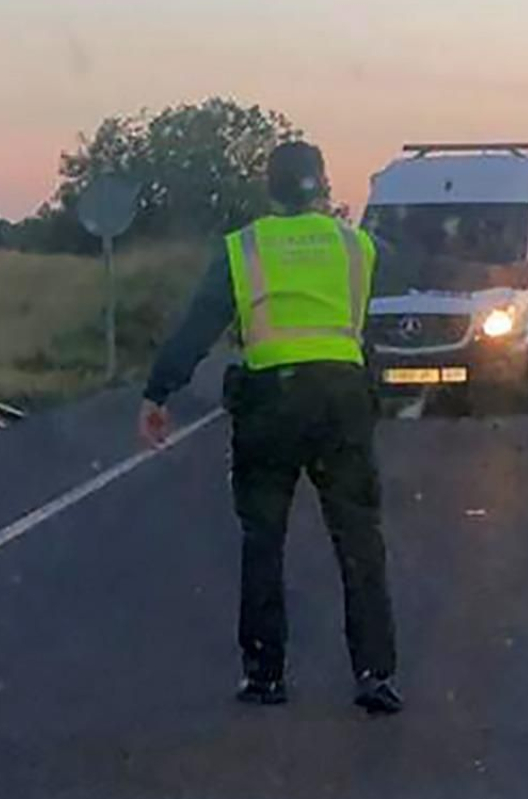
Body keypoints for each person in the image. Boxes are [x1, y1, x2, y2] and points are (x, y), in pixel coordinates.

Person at [138, 141, 404, 714]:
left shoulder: (245, 248)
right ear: (324, 185)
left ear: (271, 188)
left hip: (270, 407)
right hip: (341, 405)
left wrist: (159, 392)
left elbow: (197, 328)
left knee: (263, 542)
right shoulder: (355, 245)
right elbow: (428, 269)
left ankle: (265, 676)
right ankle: (374, 676)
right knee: (359, 541)